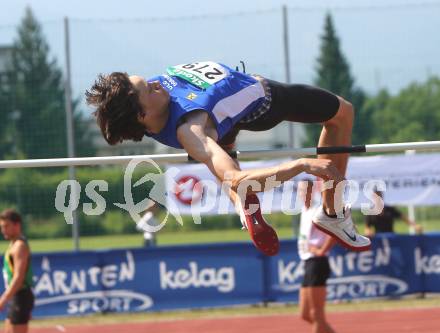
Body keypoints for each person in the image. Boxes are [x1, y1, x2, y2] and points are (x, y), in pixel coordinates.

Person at [86, 61, 371, 254]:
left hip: (225, 120)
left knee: (222, 151)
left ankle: (243, 206)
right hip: (262, 104)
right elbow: (236, 178)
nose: (155, 83)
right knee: (342, 114)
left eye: (148, 81)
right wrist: (301, 164)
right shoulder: (191, 130)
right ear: (142, 114)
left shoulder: (153, 109)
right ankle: (333, 213)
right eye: (148, 89)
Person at [0, 209, 67, 333]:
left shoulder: (20, 245)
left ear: (17, 225)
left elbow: (19, 277)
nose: (3, 230)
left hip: (20, 296)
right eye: (2, 227)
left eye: (6, 226)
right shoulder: (13, 244)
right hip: (17, 296)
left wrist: (4, 299)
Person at [292, 180, 353, 333]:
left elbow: (337, 231)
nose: (303, 194)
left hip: (317, 263)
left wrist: (322, 250)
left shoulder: (319, 210)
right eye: (300, 190)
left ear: (314, 191)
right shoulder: (304, 210)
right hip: (308, 263)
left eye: (306, 190)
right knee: (305, 314)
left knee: (317, 315)